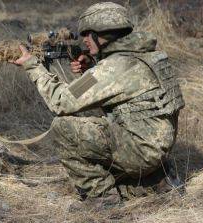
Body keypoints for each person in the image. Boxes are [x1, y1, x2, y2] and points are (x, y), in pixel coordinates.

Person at [12, 2, 185, 200]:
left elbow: (60, 101)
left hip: (141, 153)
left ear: (103, 34)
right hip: (156, 149)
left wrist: (32, 66)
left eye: (87, 34)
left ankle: (102, 196)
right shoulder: (146, 54)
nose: (83, 39)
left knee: (62, 127)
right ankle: (157, 179)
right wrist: (91, 68)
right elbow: (125, 95)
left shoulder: (113, 67)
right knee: (90, 116)